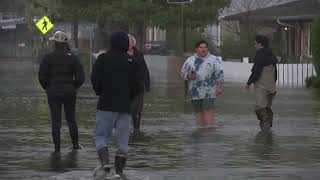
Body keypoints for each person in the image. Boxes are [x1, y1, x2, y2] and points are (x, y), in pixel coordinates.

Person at [91, 31, 143, 176]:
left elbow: (95, 80)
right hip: (125, 107)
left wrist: (101, 91)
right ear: (126, 44)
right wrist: (128, 97)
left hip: (106, 105)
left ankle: (105, 164)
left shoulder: (102, 59)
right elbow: (138, 86)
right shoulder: (132, 62)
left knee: (101, 137)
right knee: (123, 142)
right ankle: (119, 173)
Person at [38, 31, 85, 153]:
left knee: (56, 121)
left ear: (54, 43)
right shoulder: (73, 58)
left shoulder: (48, 58)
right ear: (66, 43)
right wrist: (72, 87)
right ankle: (75, 146)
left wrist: (48, 88)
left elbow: (42, 77)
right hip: (69, 92)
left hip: (53, 92)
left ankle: (57, 149)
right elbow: (80, 78)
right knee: (71, 120)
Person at [180, 40, 224, 127]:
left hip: (209, 92)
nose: (203, 49)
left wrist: (219, 86)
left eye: (205, 47)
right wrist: (189, 76)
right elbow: (182, 73)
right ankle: (200, 134)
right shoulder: (190, 60)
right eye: (201, 47)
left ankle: (209, 135)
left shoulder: (214, 59)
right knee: (199, 115)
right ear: (196, 49)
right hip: (195, 92)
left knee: (208, 112)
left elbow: (220, 73)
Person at [246, 35, 278, 131]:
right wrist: (273, 84)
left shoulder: (260, 55)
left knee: (260, 109)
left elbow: (256, 71)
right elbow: (275, 73)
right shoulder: (272, 55)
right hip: (272, 87)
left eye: (255, 43)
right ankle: (267, 135)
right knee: (267, 108)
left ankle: (265, 130)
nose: (254, 45)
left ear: (260, 44)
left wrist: (249, 82)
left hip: (262, 87)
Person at [127, 34, 150, 133]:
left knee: (137, 110)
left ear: (133, 43)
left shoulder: (139, 54)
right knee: (127, 109)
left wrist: (147, 84)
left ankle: (136, 128)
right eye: (126, 41)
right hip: (124, 87)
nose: (128, 43)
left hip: (138, 87)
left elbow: (144, 70)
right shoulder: (120, 54)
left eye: (130, 41)